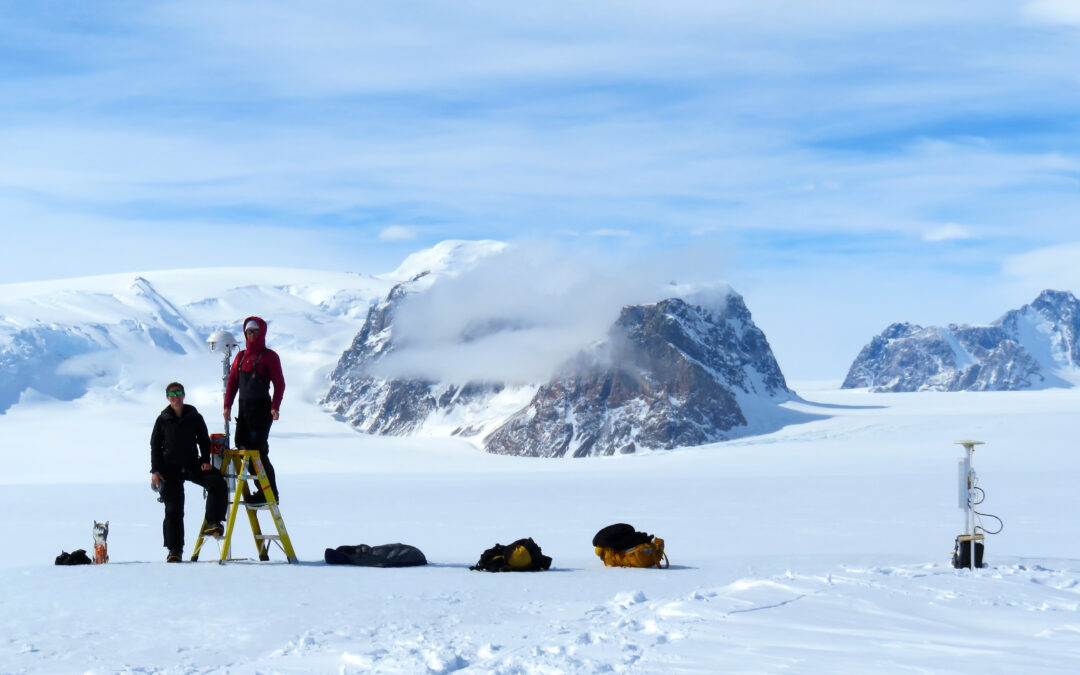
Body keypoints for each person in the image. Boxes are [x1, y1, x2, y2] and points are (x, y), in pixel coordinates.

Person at [150, 382, 228, 562]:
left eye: (178, 393)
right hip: (169, 468)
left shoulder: (194, 416)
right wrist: (155, 471)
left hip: (192, 463)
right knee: (173, 510)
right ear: (167, 398)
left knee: (216, 482)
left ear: (184, 395)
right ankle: (174, 550)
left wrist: (206, 460)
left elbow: (203, 440)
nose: (175, 397)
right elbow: (155, 446)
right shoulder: (162, 419)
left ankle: (213, 522)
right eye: (171, 394)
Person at [224, 316, 285, 504]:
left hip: (261, 410)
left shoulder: (269, 356)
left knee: (257, 451)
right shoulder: (240, 357)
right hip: (244, 411)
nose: (251, 335)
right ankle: (262, 491)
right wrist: (227, 405)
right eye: (248, 331)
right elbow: (233, 382)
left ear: (262, 333)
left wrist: (275, 407)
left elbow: (279, 383)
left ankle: (270, 493)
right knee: (242, 447)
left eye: (254, 331)